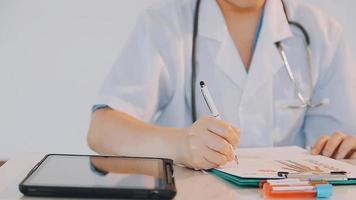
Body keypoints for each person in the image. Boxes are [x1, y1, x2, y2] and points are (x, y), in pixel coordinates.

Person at [88, 0, 356, 170]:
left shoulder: (323, 32)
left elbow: (336, 145)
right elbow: (102, 130)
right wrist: (180, 145)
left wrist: (343, 147)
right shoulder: (164, 23)